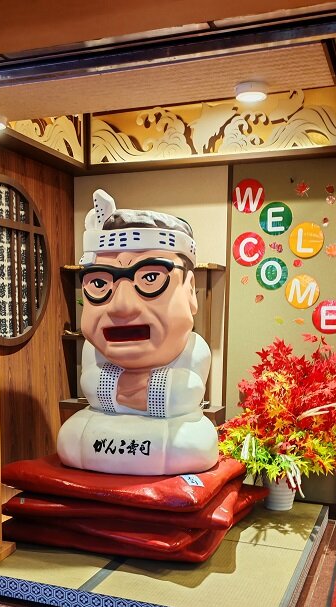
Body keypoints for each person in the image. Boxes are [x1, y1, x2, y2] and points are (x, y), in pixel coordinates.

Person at [57, 189, 219, 475]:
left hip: (170, 433)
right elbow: (92, 388)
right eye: (100, 284)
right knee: (70, 438)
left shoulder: (194, 348)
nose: (121, 306)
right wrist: (133, 389)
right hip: (101, 426)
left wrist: (124, 387)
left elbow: (184, 393)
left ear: (190, 290)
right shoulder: (94, 349)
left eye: (151, 278)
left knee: (191, 444)